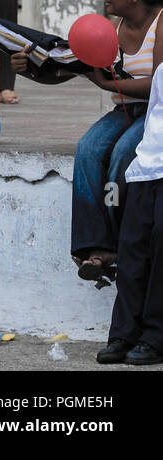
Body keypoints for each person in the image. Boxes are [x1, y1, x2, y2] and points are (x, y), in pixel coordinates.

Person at [16, 0, 163, 286]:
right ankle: (91, 246)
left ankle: (120, 243)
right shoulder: (116, 27)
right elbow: (75, 69)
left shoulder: (161, 22)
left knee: (123, 155)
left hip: (156, 112)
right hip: (124, 110)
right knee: (88, 150)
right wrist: (32, 67)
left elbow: (157, 82)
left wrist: (107, 85)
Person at [98, 63, 163, 365]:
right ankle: (123, 333)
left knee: (160, 247)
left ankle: (154, 336)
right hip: (147, 167)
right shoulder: (162, 71)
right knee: (132, 248)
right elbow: (154, 118)